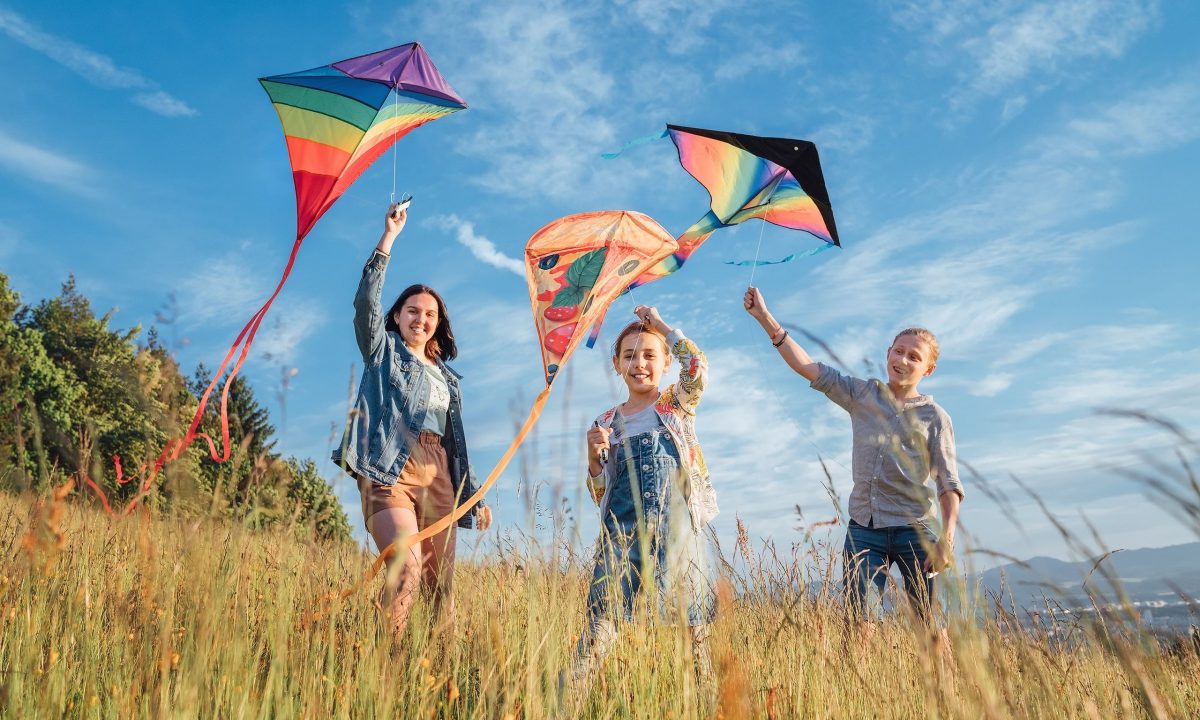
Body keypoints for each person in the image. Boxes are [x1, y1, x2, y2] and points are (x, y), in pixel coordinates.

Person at [742, 287, 963, 630]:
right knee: (859, 625)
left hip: (916, 531)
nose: (903, 360)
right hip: (865, 528)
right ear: (888, 353)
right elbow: (807, 366)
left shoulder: (936, 417)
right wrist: (764, 318)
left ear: (928, 369)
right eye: (899, 351)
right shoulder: (863, 394)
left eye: (914, 357)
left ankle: (944, 685)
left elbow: (948, 483)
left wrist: (946, 540)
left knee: (930, 627)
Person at [332, 203, 492, 641]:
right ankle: (390, 667)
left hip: (440, 474)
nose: (421, 319)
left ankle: (437, 677)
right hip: (391, 469)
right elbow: (365, 303)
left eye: (430, 315)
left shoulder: (448, 379)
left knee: (441, 592)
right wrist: (388, 240)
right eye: (412, 311)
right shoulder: (382, 352)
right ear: (398, 317)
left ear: (439, 326)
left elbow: (456, 446)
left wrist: (471, 497)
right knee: (405, 570)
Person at [571, 305, 719, 686]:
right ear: (617, 364)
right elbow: (601, 492)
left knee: (693, 629)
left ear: (666, 362)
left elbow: (697, 368)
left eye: (650, 355)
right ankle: (565, 699)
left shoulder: (675, 404)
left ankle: (706, 705)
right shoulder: (605, 422)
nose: (640, 363)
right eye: (630, 356)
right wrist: (593, 459)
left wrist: (662, 325)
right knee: (603, 619)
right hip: (622, 532)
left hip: (680, 529)